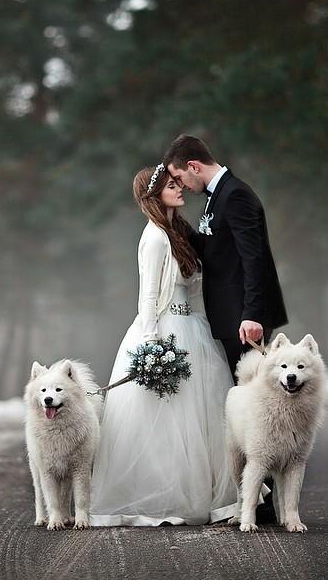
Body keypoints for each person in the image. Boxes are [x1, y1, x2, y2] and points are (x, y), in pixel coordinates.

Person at [88, 165, 237, 526]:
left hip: (192, 329)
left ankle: (213, 495)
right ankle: (166, 498)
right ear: (154, 195)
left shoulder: (177, 232)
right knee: (168, 419)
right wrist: (152, 344)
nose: (180, 188)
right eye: (172, 185)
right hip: (166, 330)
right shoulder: (155, 237)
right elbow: (149, 294)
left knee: (201, 416)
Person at [164, 134, 287, 523]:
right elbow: (219, 250)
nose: (181, 185)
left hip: (244, 320)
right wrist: (175, 227)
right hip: (230, 316)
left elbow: (254, 259)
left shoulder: (236, 195)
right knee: (249, 410)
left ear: (194, 167)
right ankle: (255, 500)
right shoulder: (217, 198)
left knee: (259, 410)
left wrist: (252, 314)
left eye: (180, 177)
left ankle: (263, 505)